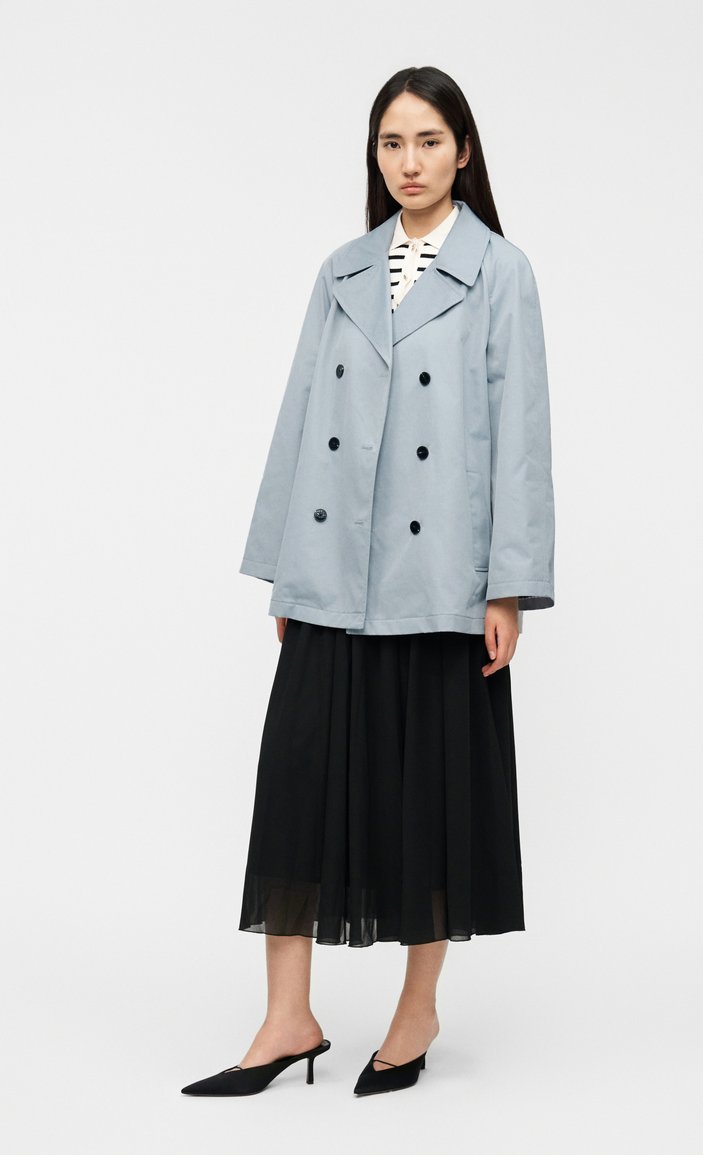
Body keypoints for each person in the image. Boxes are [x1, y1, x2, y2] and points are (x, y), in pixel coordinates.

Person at [181, 64, 555, 1100]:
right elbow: (300, 415)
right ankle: (286, 1019)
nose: (409, 161)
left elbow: (521, 437)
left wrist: (507, 587)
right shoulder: (342, 270)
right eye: (392, 142)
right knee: (296, 787)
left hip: (440, 580)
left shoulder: (500, 271)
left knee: (429, 792)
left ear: (463, 151)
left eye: (429, 141)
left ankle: (416, 1008)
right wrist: (282, 573)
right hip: (331, 569)